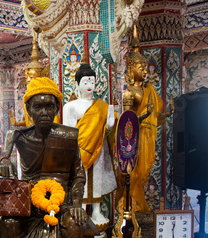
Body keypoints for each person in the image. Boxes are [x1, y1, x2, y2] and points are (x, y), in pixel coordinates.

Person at [0, 77, 86, 238]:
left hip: (61, 202)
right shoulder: (21, 136)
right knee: (9, 223)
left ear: (57, 109)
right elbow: (5, 154)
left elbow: (78, 175)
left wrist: (76, 202)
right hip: (29, 200)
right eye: (38, 107)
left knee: (76, 224)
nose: (44, 112)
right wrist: (6, 162)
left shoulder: (68, 137)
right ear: (28, 110)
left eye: (49, 106)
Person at [114, 27, 165, 213]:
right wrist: (143, 116)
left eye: (145, 68)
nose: (144, 71)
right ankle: (129, 205)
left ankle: (138, 205)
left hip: (148, 136)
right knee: (133, 174)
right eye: (140, 67)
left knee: (145, 170)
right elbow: (127, 121)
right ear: (130, 69)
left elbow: (156, 115)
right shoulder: (130, 93)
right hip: (134, 140)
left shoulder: (149, 90)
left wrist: (164, 115)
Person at [62, 64, 116, 223]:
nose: (90, 86)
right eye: (86, 82)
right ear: (77, 84)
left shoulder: (102, 106)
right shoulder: (70, 106)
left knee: (97, 178)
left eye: (92, 82)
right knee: (80, 178)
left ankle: (96, 210)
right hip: (79, 149)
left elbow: (107, 131)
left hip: (98, 147)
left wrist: (111, 125)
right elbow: (67, 131)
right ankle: (81, 209)